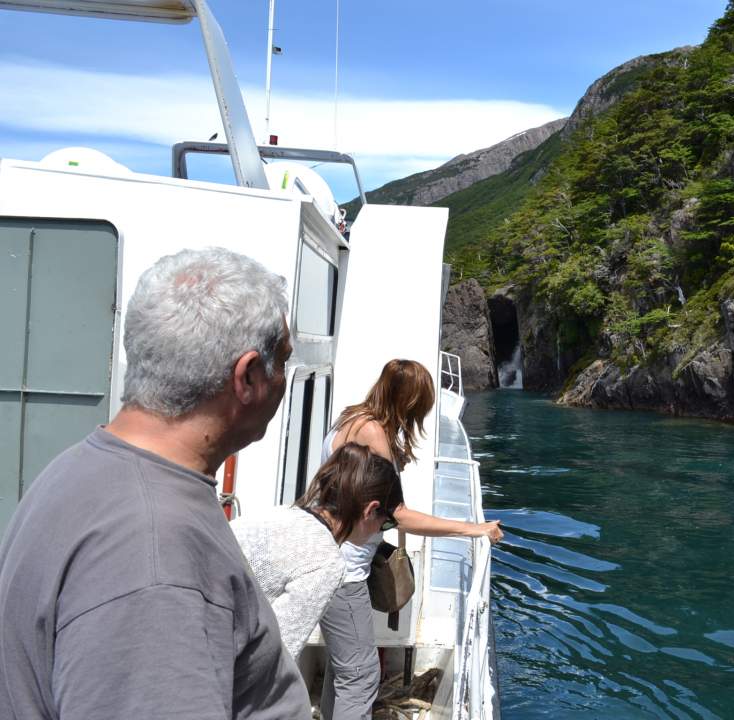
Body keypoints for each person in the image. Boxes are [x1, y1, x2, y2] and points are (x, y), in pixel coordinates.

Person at [0, 248, 310, 719]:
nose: (285, 380)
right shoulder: (154, 551)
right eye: (283, 361)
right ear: (247, 377)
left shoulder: (80, 468)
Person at [319, 358, 503, 720]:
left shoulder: (350, 418)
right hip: (347, 569)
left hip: (328, 553)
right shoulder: (375, 435)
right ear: (408, 402)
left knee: (343, 668)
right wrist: (474, 529)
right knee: (360, 677)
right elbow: (399, 513)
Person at [231, 442, 403, 660]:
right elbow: (274, 653)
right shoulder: (327, 561)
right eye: (386, 523)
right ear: (371, 510)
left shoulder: (283, 513)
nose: (380, 531)